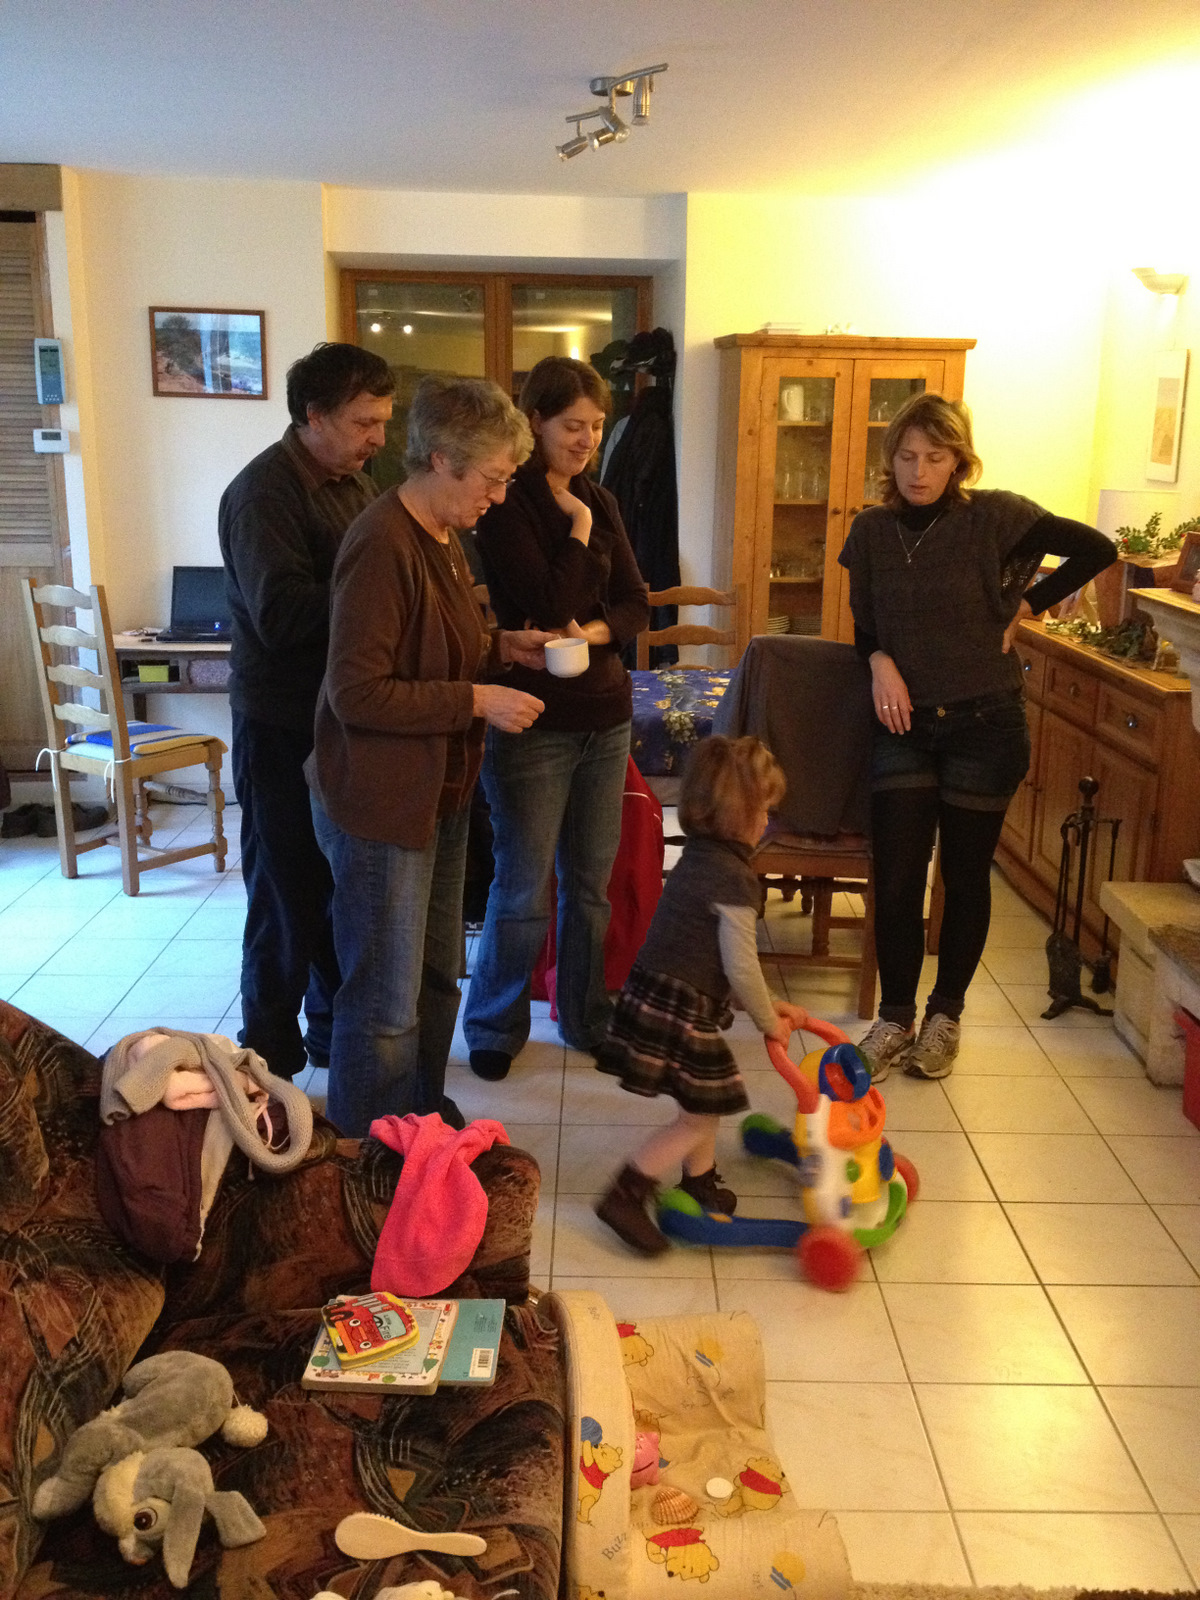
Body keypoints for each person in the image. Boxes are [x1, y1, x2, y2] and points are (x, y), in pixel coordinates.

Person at [838, 392, 1117, 1082]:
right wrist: (878, 662)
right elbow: (866, 624)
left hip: (986, 724)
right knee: (898, 877)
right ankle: (894, 1018)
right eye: (907, 457)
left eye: (935, 457)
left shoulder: (995, 516)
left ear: (958, 461)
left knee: (964, 878)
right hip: (903, 724)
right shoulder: (871, 531)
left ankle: (945, 1017)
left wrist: (1027, 604)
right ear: (891, 460)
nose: (919, 472)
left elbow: (1097, 548)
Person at [306, 375, 553, 1137]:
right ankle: (366, 1154)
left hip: (436, 795)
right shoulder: (382, 544)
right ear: (442, 460)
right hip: (381, 803)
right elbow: (357, 693)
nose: (500, 497)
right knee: (384, 998)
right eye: (492, 479)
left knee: (436, 977)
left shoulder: (441, 536)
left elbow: (433, 645)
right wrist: (475, 700)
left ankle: (416, 1116)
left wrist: (499, 647)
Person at [463, 356, 651, 1081]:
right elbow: (547, 601)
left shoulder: (602, 498)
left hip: (606, 714)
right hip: (534, 719)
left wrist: (593, 634)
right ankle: (494, 1024)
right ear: (534, 421)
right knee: (521, 886)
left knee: (590, 886)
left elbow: (635, 603)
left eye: (597, 426)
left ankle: (584, 1016)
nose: (587, 440)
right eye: (573, 425)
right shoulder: (508, 503)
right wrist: (577, 523)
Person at [219, 343, 395, 1081]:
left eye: (383, 421)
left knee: (330, 890)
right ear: (313, 416)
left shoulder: (352, 482)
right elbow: (282, 615)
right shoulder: (265, 493)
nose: (378, 439)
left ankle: (327, 1035)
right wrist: (382, 598)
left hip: (333, 719)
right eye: (364, 423)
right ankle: (267, 1065)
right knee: (284, 897)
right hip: (279, 724)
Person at [594, 736, 808, 1256]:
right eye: (764, 811)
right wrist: (767, 1018)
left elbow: (708, 951)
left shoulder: (700, 857)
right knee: (700, 1112)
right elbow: (740, 965)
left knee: (702, 1101)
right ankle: (626, 1194)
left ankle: (698, 1182)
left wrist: (757, 1002)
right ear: (739, 815)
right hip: (681, 1007)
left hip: (659, 992)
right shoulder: (736, 880)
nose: (767, 822)